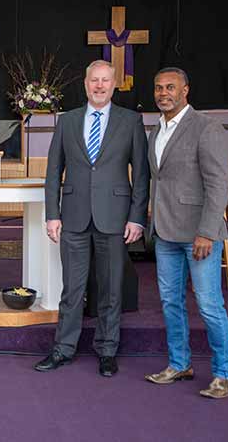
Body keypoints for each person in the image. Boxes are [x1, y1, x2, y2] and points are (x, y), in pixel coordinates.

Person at [37, 60, 149, 377]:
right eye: (94, 81)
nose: (99, 86)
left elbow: (141, 175)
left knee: (111, 289)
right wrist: (52, 214)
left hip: (115, 219)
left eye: (105, 81)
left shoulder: (131, 121)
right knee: (71, 289)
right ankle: (63, 350)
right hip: (71, 218)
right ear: (85, 84)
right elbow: (52, 173)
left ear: (114, 84)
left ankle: (107, 351)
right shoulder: (67, 121)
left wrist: (137, 218)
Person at [144, 67, 228, 399]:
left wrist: (207, 233)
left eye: (170, 87)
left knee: (210, 305)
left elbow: (217, 183)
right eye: (158, 88)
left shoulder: (206, 127)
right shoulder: (156, 130)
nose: (162, 92)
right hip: (165, 233)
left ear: (186, 91)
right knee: (170, 303)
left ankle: (225, 374)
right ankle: (179, 363)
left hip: (199, 235)